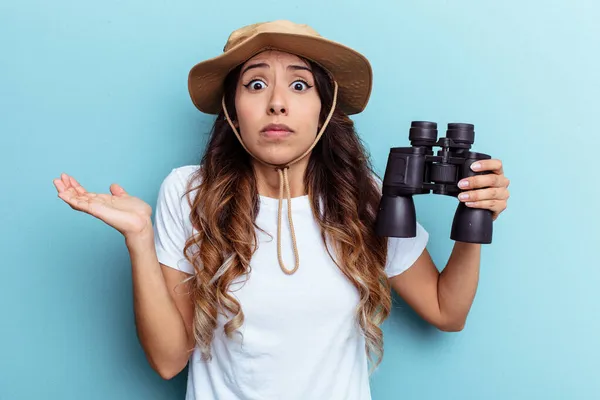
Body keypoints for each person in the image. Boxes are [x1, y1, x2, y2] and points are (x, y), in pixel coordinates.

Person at [53, 20, 510, 400]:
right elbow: (169, 359)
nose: (277, 102)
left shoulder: (363, 195)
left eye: (298, 84)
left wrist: (476, 220)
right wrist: (138, 237)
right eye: (255, 84)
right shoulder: (190, 191)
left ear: (324, 108)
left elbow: (446, 311)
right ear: (233, 110)